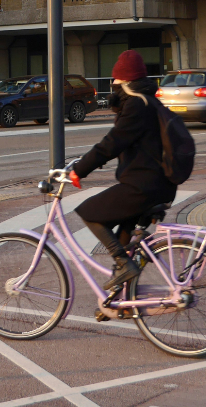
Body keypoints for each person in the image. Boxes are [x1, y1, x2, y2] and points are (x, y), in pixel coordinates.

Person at [68, 50, 176, 291]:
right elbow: (127, 143)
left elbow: (113, 142)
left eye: (114, 80)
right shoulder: (148, 101)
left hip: (144, 187)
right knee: (123, 240)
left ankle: (125, 265)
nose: (112, 85)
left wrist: (79, 170)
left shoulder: (137, 105)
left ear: (124, 81)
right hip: (159, 186)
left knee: (89, 212)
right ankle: (118, 300)